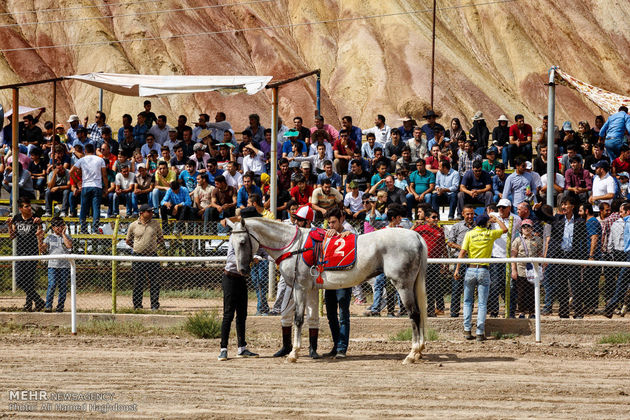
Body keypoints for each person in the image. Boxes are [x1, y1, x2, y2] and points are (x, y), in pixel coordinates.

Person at [273, 205, 321, 359]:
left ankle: (313, 348)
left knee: (312, 313)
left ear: (308, 222)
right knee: (286, 312)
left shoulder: (316, 234)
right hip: (290, 280)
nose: (297, 222)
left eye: (300, 220)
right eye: (296, 219)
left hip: (311, 280)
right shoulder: (290, 232)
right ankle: (286, 346)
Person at [454, 213, 507, 341]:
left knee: (467, 301)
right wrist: (497, 220)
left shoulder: (470, 234)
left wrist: (457, 269)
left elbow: (462, 253)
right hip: (484, 269)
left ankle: (467, 330)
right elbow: (505, 229)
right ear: (487, 223)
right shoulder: (489, 234)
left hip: (470, 269)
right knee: (482, 303)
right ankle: (479, 332)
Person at [544, 196, 587, 318]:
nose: (563, 207)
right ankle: (563, 312)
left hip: (573, 256)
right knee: (560, 285)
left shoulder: (579, 221)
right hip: (559, 256)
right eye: (562, 204)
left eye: (565, 204)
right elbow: (545, 217)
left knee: (576, 286)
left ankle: (578, 313)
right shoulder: (557, 219)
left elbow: (583, 242)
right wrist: (537, 210)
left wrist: (584, 258)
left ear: (572, 206)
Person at [322, 207, 355, 358]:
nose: (331, 226)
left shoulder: (350, 232)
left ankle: (342, 347)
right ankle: (336, 345)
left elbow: (356, 243)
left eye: (334, 222)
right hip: (330, 279)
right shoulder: (327, 234)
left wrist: (345, 235)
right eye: (329, 223)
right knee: (330, 314)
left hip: (344, 279)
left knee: (343, 314)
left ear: (341, 220)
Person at [8, 198, 45, 311]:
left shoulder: (35, 219)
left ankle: (29, 304)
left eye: (29, 206)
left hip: (32, 252)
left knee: (29, 280)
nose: (29, 208)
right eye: (26, 206)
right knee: (19, 279)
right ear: (20, 209)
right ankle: (38, 301)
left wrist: (39, 226)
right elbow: (12, 236)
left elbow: (41, 234)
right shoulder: (17, 218)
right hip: (20, 253)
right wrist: (10, 225)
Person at [126, 204, 164, 310]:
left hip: (152, 255)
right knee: (138, 281)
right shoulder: (133, 225)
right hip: (138, 256)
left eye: (152, 211)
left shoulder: (155, 224)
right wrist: (137, 247)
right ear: (142, 213)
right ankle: (137, 305)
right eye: (149, 211)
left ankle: (154, 305)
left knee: (155, 282)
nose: (152, 213)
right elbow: (128, 240)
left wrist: (153, 245)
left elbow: (161, 238)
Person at [414, 209, 448, 316]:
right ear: (427, 219)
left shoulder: (440, 231)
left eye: (437, 217)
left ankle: (431, 310)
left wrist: (446, 262)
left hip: (435, 263)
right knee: (419, 286)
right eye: (433, 217)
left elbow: (443, 247)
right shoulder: (421, 229)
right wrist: (414, 226)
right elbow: (409, 235)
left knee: (432, 287)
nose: (436, 219)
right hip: (422, 262)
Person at [69, 143, 108, 233]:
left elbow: (71, 172)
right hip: (97, 186)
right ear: (94, 150)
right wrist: (105, 187)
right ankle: (95, 229)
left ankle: (83, 229)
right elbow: (104, 175)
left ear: (85, 151)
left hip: (86, 186)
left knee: (84, 207)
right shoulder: (100, 160)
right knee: (96, 208)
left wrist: (78, 182)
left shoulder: (82, 160)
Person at [38, 216, 72, 312]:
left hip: (64, 266)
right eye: (56, 226)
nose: (58, 228)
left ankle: (60, 307)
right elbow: (42, 249)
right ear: (52, 227)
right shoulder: (49, 237)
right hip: (52, 265)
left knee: (63, 287)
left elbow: (69, 246)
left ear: (63, 226)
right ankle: (48, 306)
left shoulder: (67, 237)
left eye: (60, 226)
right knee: (52, 285)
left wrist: (63, 234)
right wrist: (40, 239)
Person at [447, 205, 476, 317]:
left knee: (471, 286)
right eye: (467, 214)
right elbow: (450, 242)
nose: (470, 216)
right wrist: (463, 249)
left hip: (473, 259)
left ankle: (469, 310)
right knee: (456, 285)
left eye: (472, 214)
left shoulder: (477, 227)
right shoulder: (457, 226)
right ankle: (454, 311)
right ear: (463, 214)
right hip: (459, 259)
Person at [510, 219, 542, 318]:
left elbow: (540, 253)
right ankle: (522, 312)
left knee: (532, 291)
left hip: (533, 270)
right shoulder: (518, 240)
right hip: (521, 269)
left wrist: (541, 266)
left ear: (532, 228)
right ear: (521, 229)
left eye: (528, 226)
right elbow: (513, 255)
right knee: (521, 292)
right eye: (524, 227)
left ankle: (532, 312)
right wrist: (513, 270)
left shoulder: (537, 240)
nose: (526, 229)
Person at [604, 202, 630, 318]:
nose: (619, 214)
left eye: (621, 212)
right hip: (625, 254)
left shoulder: (627, 223)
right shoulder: (624, 223)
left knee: (621, 283)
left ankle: (609, 308)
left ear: (627, 212)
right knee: (622, 283)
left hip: (626, 255)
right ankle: (610, 308)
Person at [579, 203, 602, 316]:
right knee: (587, 282)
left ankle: (591, 306)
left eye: (581, 211)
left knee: (590, 282)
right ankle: (589, 305)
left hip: (592, 258)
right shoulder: (588, 222)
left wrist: (591, 256)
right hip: (588, 256)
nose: (579, 213)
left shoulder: (592, 222)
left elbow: (594, 238)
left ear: (586, 211)